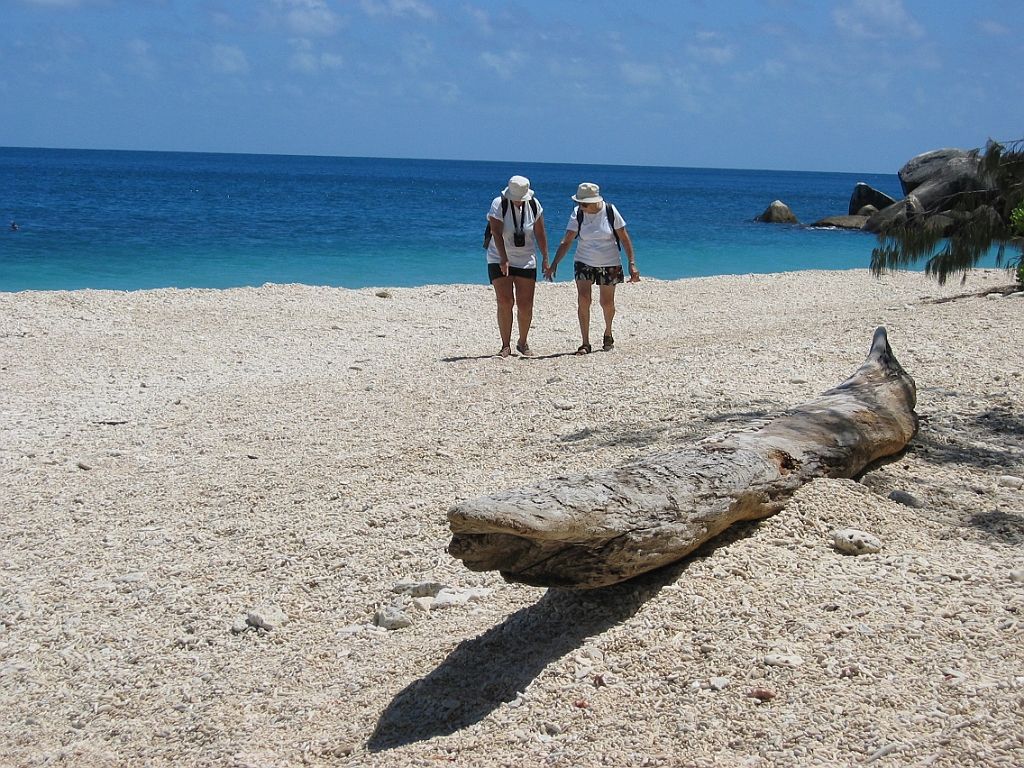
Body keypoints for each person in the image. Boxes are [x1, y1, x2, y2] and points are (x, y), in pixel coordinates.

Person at [544, 182, 639, 354]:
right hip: (584, 260)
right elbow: (567, 240)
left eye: (585, 204)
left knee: (606, 302)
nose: (582, 207)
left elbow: (624, 238)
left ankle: (608, 332)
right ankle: (585, 342)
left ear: (595, 201)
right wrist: (554, 263)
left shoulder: (610, 211)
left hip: (609, 262)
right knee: (583, 299)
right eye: (579, 203)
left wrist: (631, 263)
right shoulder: (578, 214)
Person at [485, 175, 549, 357]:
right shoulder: (499, 204)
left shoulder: (534, 205)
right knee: (505, 301)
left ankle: (522, 341)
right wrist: (503, 258)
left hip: (526, 259)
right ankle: (505, 345)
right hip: (498, 255)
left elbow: (540, 233)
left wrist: (545, 258)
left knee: (525, 304)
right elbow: (496, 233)